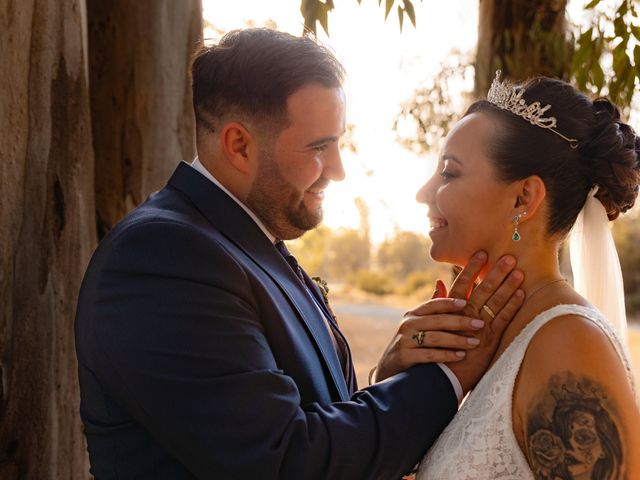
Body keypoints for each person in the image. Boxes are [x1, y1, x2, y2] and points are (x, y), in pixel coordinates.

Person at [75, 29, 525, 479]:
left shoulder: (243, 243)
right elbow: (285, 460)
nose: (339, 169)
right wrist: (447, 378)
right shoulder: (163, 257)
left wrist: (392, 372)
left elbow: (316, 415)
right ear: (239, 145)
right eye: (318, 147)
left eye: (338, 143)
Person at [414, 71, 640, 479]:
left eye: (448, 172)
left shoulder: (570, 345)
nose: (423, 193)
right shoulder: (492, 332)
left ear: (523, 197)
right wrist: (397, 382)